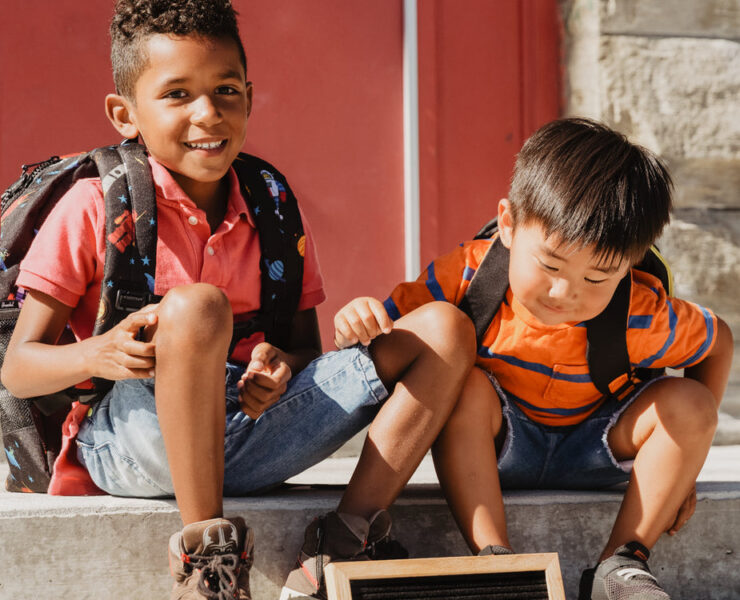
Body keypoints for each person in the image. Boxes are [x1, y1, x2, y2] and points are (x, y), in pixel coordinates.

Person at [0, 1, 476, 598]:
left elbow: (303, 349)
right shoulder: (96, 206)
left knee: (444, 328)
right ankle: (208, 558)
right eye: (177, 94)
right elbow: (18, 370)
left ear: (249, 96)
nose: (208, 113)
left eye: (226, 89)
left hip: (252, 433)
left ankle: (344, 539)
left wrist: (278, 368)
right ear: (126, 114)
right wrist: (97, 354)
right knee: (199, 306)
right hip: (134, 441)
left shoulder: (272, 201)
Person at [328, 118, 734, 600]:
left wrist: (678, 466)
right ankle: (498, 561)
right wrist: (358, 322)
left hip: (600, 443)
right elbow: (397, 341)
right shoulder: (467, 278)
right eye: (550, 264)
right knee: (465, 388)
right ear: (508, 224)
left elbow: (718, 342)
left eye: (598, 278)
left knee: (690, 404)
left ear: (631, 261)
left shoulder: (642, 314)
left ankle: (621, 563)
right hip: (497, 445)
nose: (566, 293)